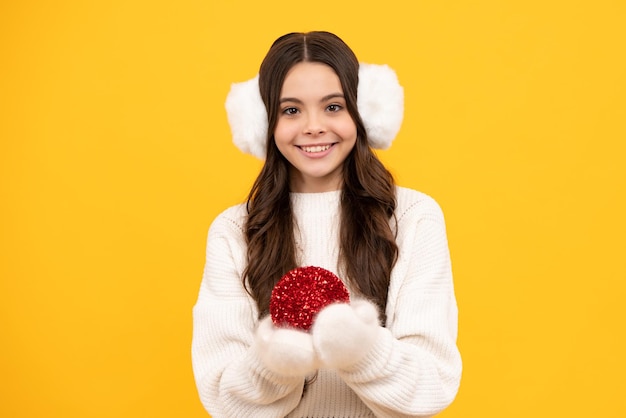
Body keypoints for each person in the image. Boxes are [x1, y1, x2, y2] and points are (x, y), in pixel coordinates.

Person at [192, 31, 462, 418]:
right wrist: (277, 363)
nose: (314, 126)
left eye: (333, 107)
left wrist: (358, 350)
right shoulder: (234, 231)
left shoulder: (413, 216)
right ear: (263, 123)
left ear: (364, 112)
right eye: (291, 110)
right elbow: (224, 399)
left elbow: (431, 386)